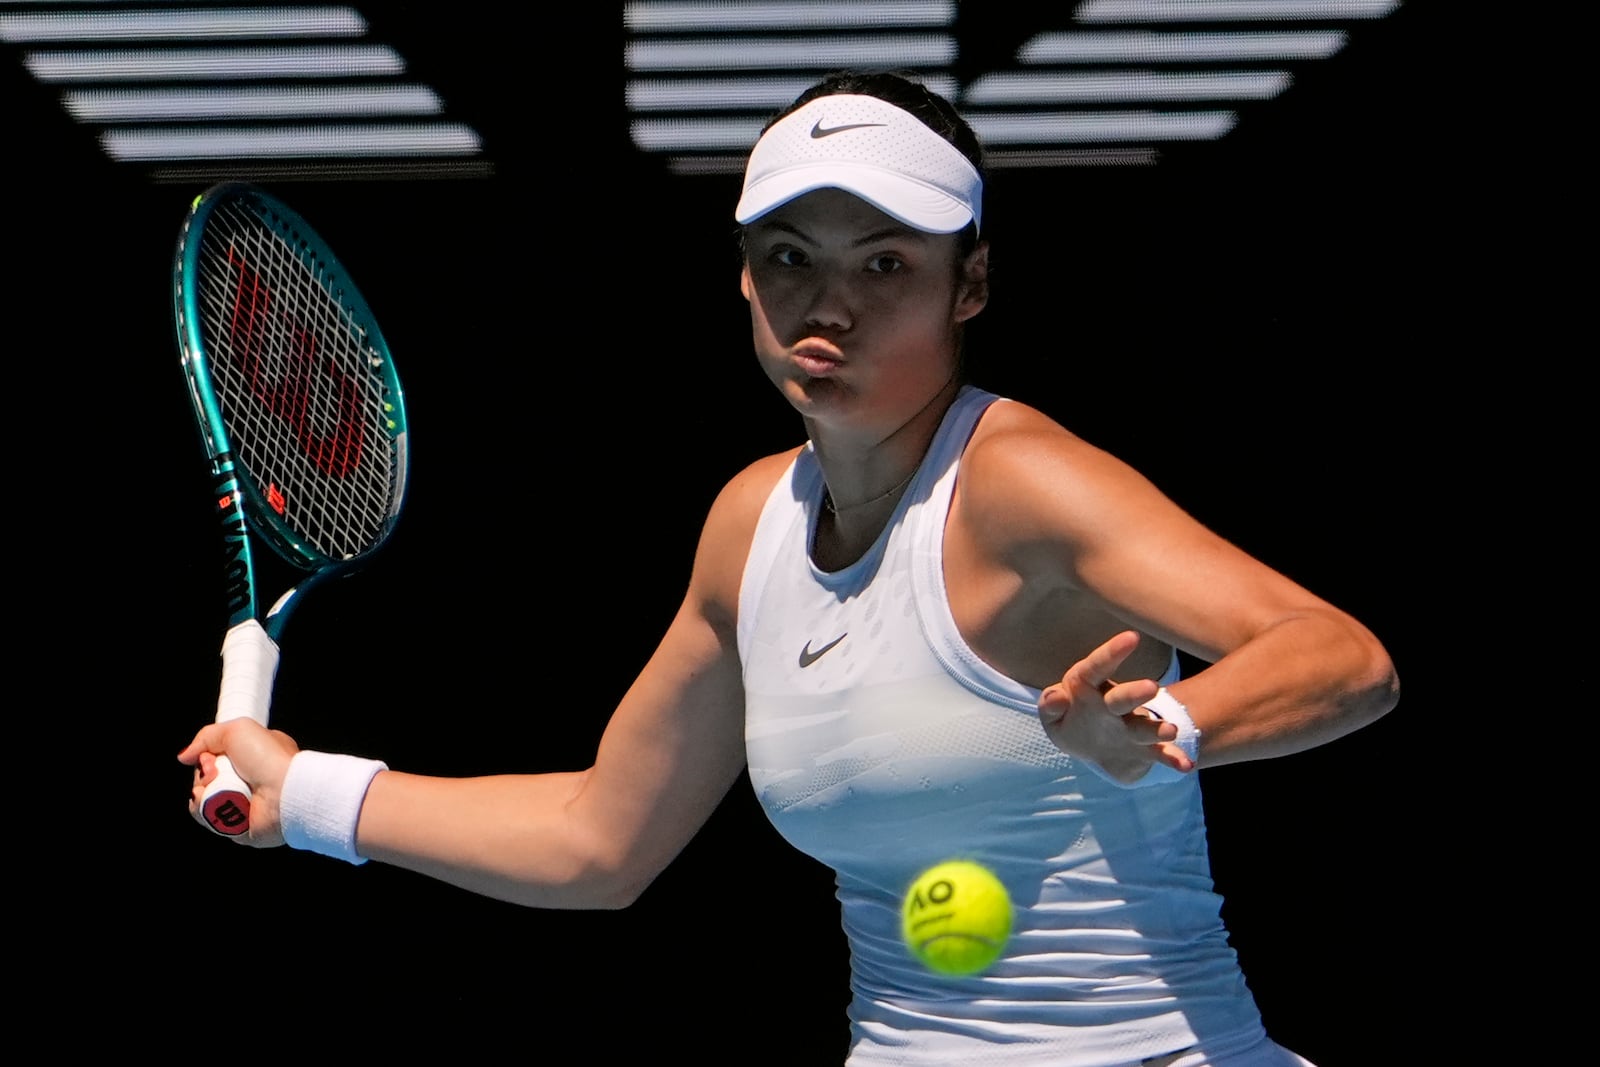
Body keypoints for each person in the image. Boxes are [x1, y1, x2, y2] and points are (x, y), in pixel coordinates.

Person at [180, 71, 1399, 1066]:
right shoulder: (750, 522)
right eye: (789, 258)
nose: (830, 306)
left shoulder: (1022, 483)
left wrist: (1171, 724)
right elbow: (600, 838)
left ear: (968, 283)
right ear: (745, 278)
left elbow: (1343, 658)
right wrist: (310, 797)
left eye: (884, 264)